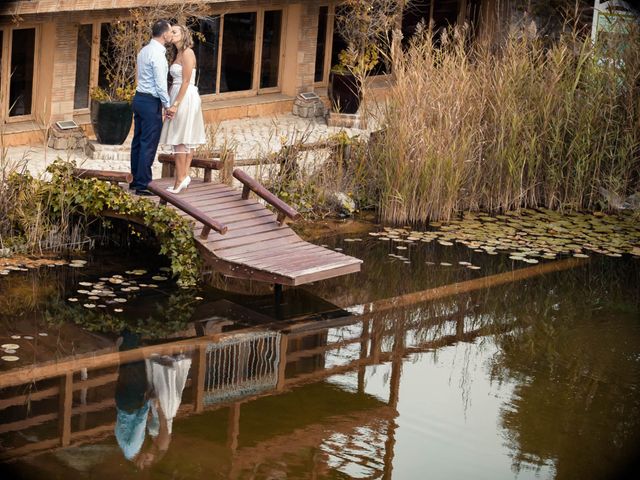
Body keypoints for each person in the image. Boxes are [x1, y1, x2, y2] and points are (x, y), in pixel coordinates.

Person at [159, 25, 207, 194]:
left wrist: (175, 104)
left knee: (180, 137)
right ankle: (183, 177)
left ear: (183, 35)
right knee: (182, 136)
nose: (171, 34)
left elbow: (186, 81)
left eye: (174, 32)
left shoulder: (187, 53)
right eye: (170, 31)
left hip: (185, 97)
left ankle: (180, 178)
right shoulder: (177, 53)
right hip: (178, 94)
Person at [129, 20, 173, 197]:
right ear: (164, 35)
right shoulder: (158, 55)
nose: (171, 34)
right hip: (150, 102)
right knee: (148, 143)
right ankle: (143, 184)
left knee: (138, 141)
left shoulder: (144, 50)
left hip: (139, 98)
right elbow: (161, 85)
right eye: (170, 31)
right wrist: (167, 105)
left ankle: (134, 180)